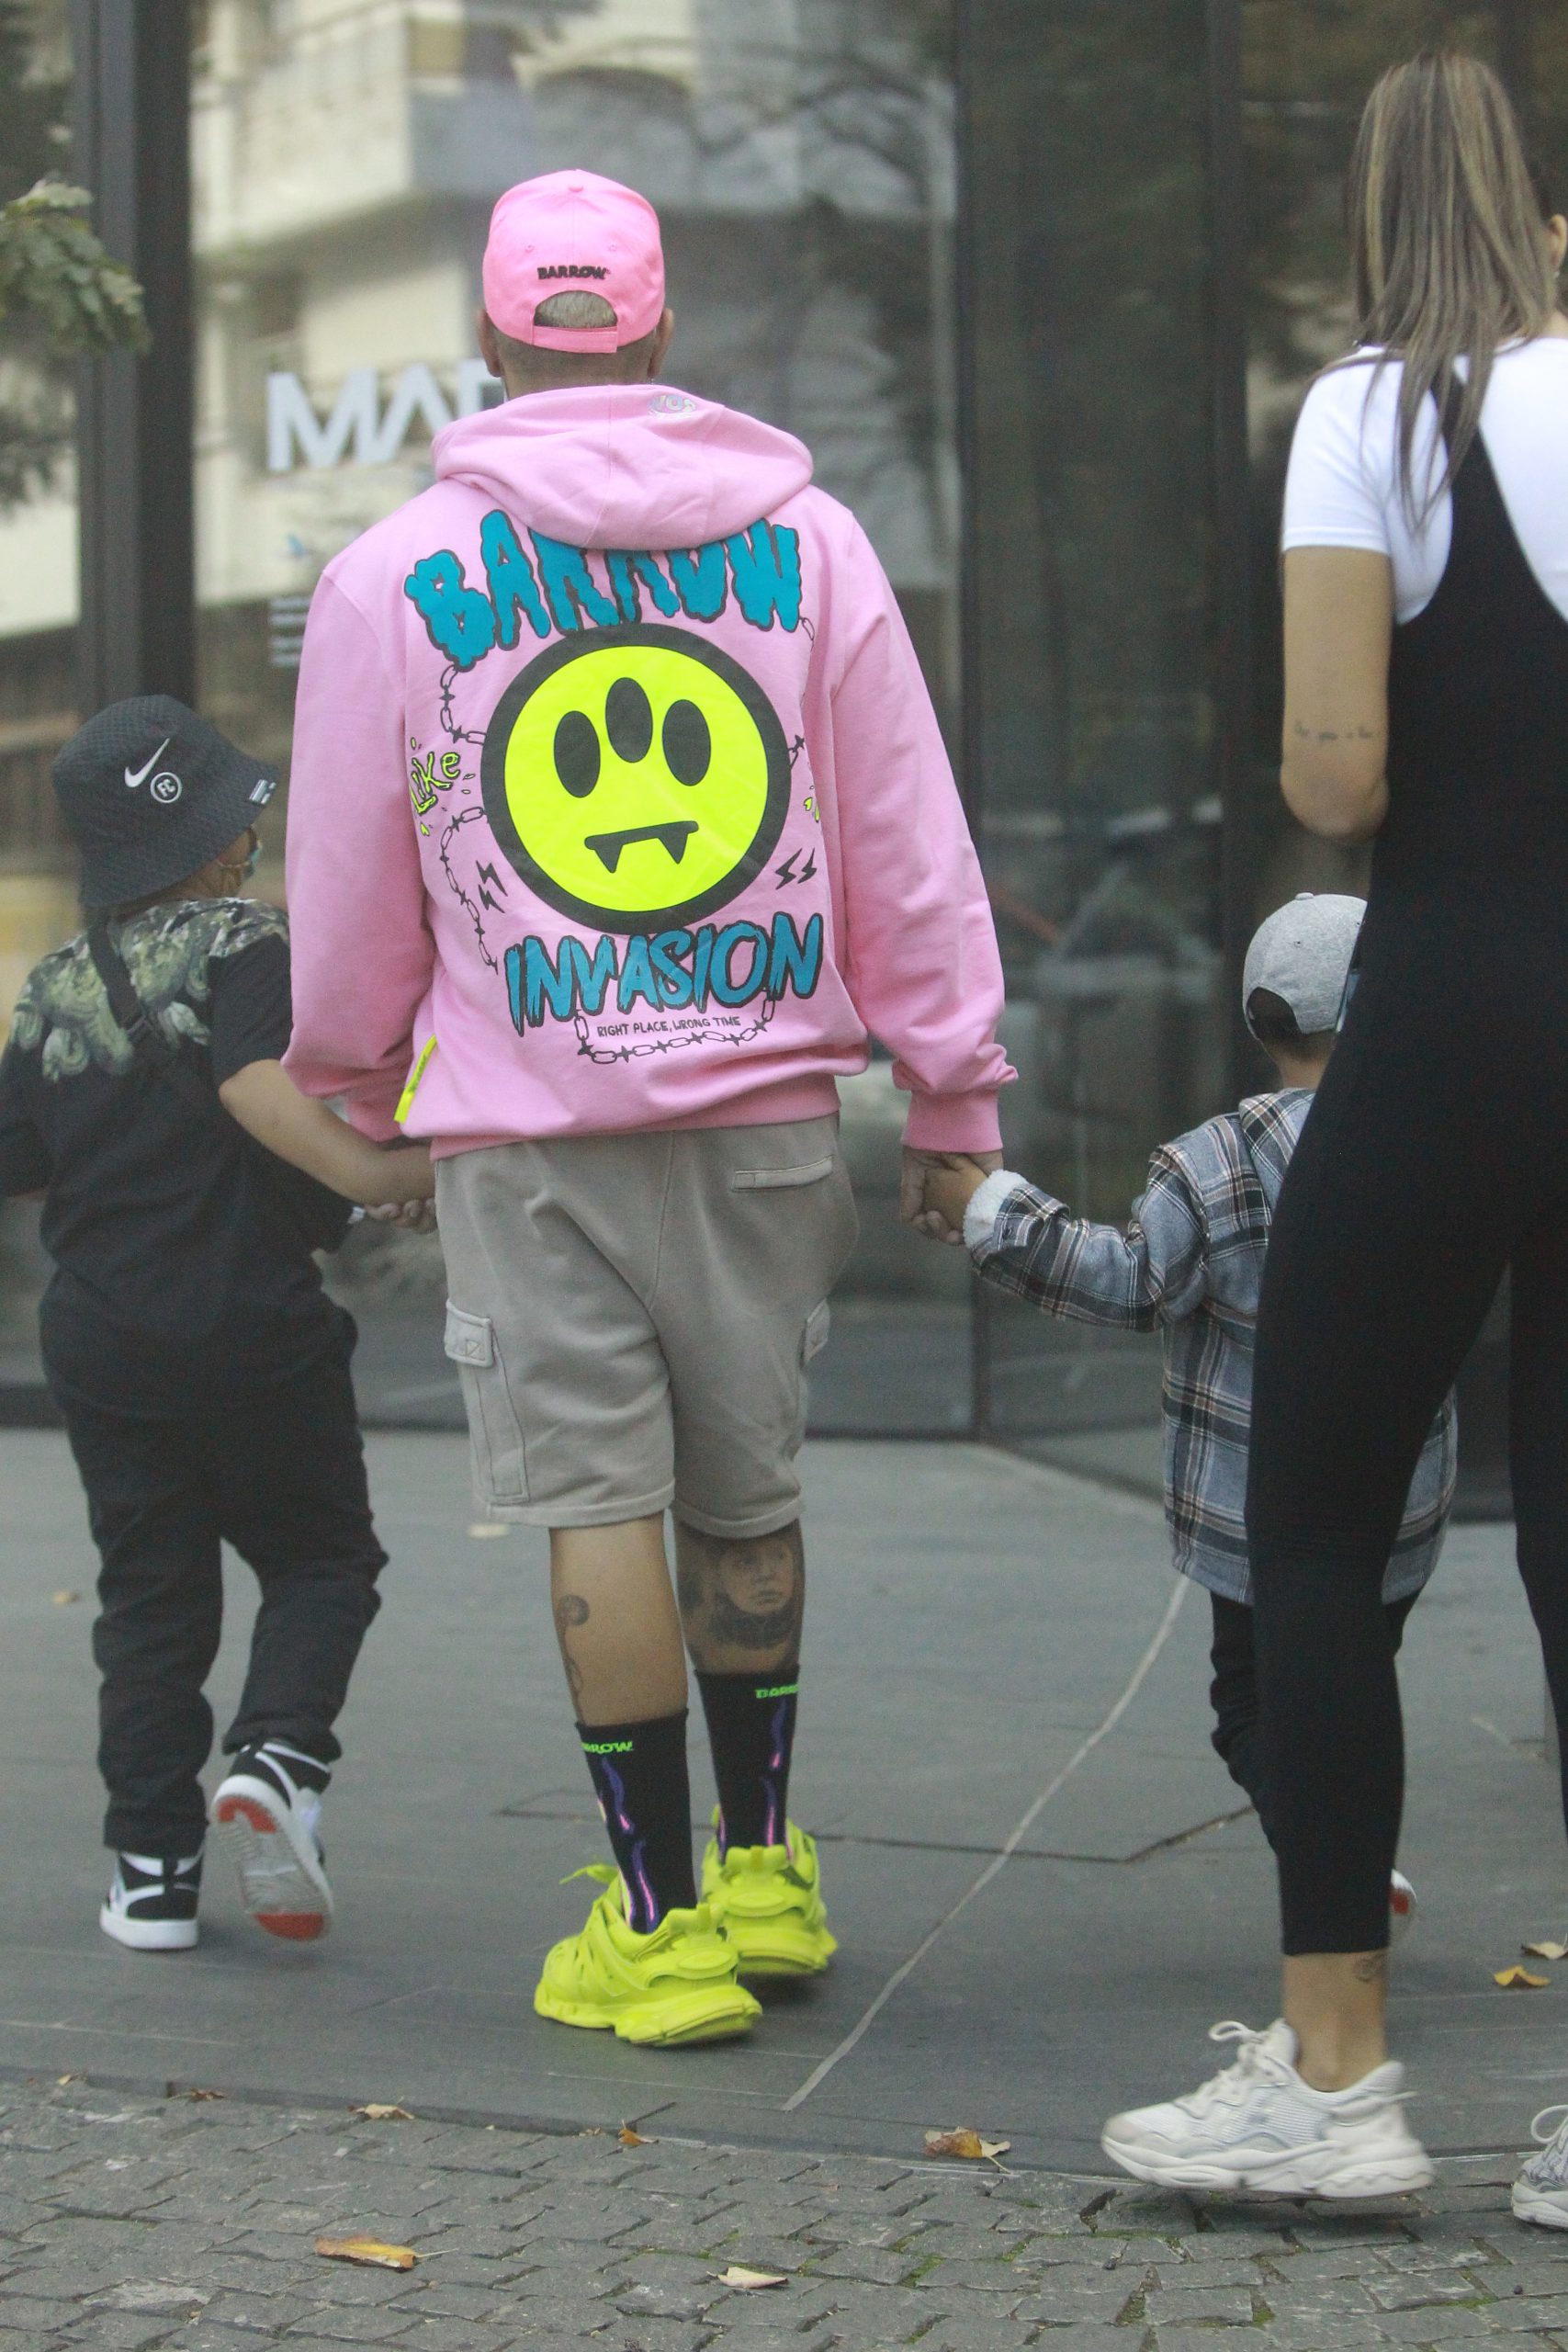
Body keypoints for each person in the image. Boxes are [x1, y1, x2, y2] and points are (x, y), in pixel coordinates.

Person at [280, 168, 1011, 2047]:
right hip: (764, 1111)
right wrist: (951, 1089)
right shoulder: (814, 548)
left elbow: (355, 881)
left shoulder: (389, 577)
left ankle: (657, 1922)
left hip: (530, 1130)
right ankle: (762, 1869)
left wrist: (354, 1078)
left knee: (596, 1502)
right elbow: (903, 838)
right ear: (663, 328)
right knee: (745, 1490)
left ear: (488, 339)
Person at [1089, 53, 1568, 2215]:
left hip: (1458, 994)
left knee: (1304, 1515)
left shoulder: (1370, 408)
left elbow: (1334, 777)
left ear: (1370, 220)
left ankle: (1332, 2074)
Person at [919, 892, 1455, 1916]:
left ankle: (1337, 1859)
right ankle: (1348, 1844)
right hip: (1399, 1499)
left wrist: (987, 1206)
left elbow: (1130, 1282)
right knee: (1351, 1678)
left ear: (1258, 1022)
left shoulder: (1214, 1161)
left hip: (1257, 1511)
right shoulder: (1438, 1143)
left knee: (1250, 1702)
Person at [0, 696, 434, 1953]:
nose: (253, 837)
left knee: (150, 1600)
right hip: (248, 1319)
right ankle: (280, 1759)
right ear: (207, 840)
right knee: (319, 1558)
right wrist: (377, 1175)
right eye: (240, 819)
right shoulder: (247, 945)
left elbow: (21, 1156)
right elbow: (251, 1084)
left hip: (100, 1333)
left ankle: (151, 1874)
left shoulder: (54, 985)